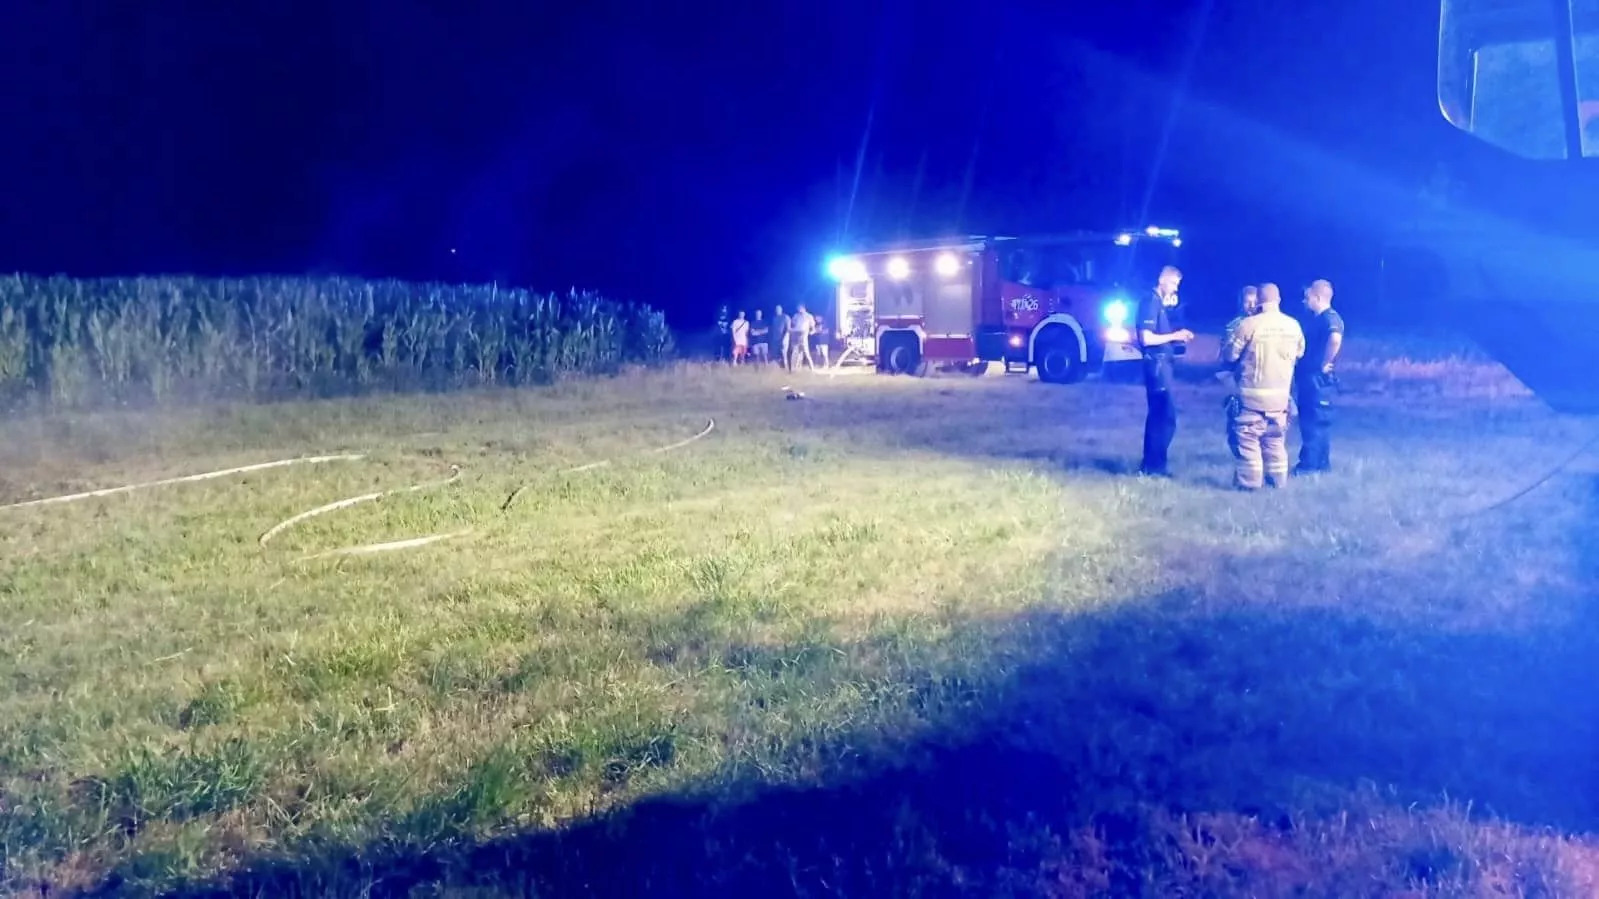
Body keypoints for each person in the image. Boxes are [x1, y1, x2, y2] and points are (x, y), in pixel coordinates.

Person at [1222, 283, 1305, 490]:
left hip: (1252, 397)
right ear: (1279, 300)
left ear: (1258, 300)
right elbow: (1300, 352)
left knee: (1248, 440)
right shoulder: (1294, 325)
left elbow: (1230, 354)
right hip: (1281, 399)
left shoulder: (1249, 325)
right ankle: (1277, 481)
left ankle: (1249, 484)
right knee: (1275, 441)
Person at [1136, 265, 1194, 477]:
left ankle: (1153, 465)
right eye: (1173, 283)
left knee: (1161, 416)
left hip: (1161, 365)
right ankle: (1154, 467)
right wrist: (1175, 336)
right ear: (1162, 280)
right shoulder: (1150, 302)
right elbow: (1146, 338)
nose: (1175, 288)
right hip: (1157, 365)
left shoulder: (1157, 302)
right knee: (1163, 416)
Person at [1295, 279, 1345, 474]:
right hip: (1311, 377)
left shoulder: (1329, 318)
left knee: (1312, 421)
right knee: (1319, 421)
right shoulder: (1317, 319)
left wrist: (1325, 362)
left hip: (1316, 378)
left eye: (1307, 297)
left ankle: (1308, 465)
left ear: (1317, 297)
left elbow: (1335, 338)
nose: (1304, 301)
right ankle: (1322, 464)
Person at [1219, 285, 1261, 452]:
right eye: (1247, 302)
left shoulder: (1265, 324)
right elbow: (1226, 355)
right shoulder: (1234, 326)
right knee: (1236, 416)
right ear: (1241, 304)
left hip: (1260, 378)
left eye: (1254, 302)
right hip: (1239, 377)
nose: (1251, 306)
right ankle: (1238, 449)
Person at [789, 304, 816, 370]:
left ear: (804, 308)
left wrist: (812, 332)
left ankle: (812, 368)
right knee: (795, 352)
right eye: (798, 309)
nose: (799, 310)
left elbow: (813, 327)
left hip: (803, 335)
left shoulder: (809, 316)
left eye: (800, 308)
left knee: (806, 352)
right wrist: (792, 330)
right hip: (796, 335)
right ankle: (794, 368)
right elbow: (793, 324)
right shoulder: (796, 316)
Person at [772, 305, 792, 371]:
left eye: (778, 309)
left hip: (784, 338)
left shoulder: (785, 317)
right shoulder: (775, 318)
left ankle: (786, 368)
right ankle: (781, 367)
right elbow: (774, 329)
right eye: (776, 309)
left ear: (781, 309)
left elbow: (788, 329)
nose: (777, 310)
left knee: (784, 353)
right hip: (776, 339)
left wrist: (785, 338)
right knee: (776, 354)